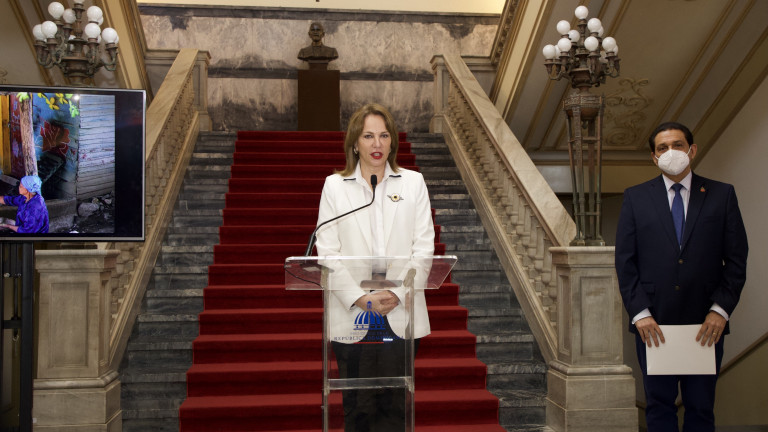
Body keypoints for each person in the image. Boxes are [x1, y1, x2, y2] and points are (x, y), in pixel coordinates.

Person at [615, 122, 748, 431]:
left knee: (701, 408)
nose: (670, 152)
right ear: (653, 156)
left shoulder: (722, 194)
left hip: (706, 325)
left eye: (677, 145)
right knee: (659, 407)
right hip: (653, 324)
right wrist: (640, 314)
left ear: (692, 150)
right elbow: (625, 261)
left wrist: (720, 311)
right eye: (662, 148)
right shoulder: (635, 197)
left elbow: (737, 260)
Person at [314, 103, 434, 431]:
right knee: (358, 407)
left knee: (394, 406)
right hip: (353, 311)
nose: (377, 144)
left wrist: (397, 293)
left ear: (393, 141)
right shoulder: (335, 186)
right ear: (355, 143)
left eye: (384, 135)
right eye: (368, 136)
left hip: (401, 310)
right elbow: (328, 252)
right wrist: (361, 298)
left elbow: (424, 247)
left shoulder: (413, 183)